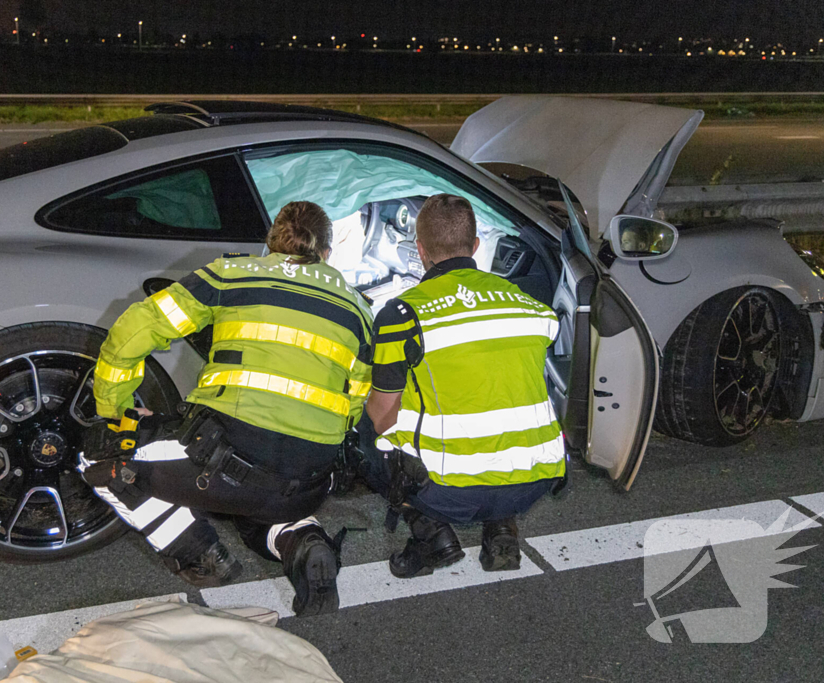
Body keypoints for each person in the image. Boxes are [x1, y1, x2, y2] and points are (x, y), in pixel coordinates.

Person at [82, 201, 373, 616]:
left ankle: (199, 553)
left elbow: (133, 330)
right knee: (257, 497)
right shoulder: (360, 310)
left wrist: (118, 413)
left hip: (221, 460)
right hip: (308, 480)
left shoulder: (232, 274)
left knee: (97, 453)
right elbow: (355, 402)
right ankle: (301, 540)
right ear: (326, 253)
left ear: (270, 244)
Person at [361, 193, 565, 578]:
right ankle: (502, 529)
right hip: (534, 482)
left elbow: (383, 416)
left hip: (449, 493)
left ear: (420, 249)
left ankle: (431, 534)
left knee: (365, 431)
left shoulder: (402, 314)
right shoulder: (527, 303)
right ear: (475, 246)